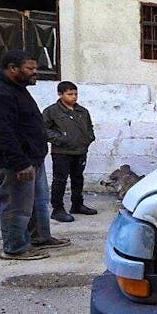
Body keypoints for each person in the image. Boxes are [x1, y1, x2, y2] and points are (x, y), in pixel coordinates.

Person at [0, 49, 70, 260]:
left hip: (32, 158)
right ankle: (15, 248)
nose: (35, 73)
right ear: (13, 68)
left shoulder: (15, 88)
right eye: (30, 69)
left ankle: (39, 238)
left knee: (38, 202)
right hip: (14, 162)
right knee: (17, 206)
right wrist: (19, 163)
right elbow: (2, 132)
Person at [43, 81, 97, 222]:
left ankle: (77, 204)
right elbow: (43, 130)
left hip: (80, 151)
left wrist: (88, 138)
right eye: (70, 94)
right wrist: (61, 139)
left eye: (75, 94)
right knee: (60, 180)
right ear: (60, 94)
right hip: (62, 152)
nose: (74, 97)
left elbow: (89, 127)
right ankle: (57, 209)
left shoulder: (82, 111)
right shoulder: (52, 111)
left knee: (78, 178)